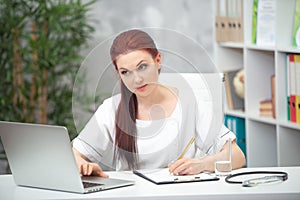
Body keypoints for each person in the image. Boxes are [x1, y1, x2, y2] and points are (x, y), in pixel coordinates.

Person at [72, 29, 246, 178]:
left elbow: (237, 157)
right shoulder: (111, 109)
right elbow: (74, 154)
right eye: (126, 72)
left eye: (142, 67)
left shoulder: (190, 103)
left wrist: (202, 164)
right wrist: (83, 165)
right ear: (118, 73)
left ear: (158, 60)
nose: (137, 79)